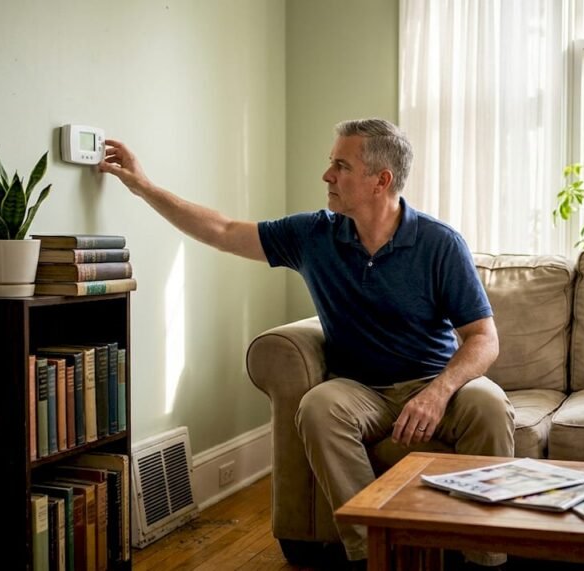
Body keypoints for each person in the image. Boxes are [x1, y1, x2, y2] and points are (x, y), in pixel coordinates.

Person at [99, 118, 515, 568]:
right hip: (359, 389)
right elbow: (221, 230)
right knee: (317, 406)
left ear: (381, 181)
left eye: (341, 165)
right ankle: (371, 555)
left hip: (432, 381)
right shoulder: (313, 235)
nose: (327, 176)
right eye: (330, 163)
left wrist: (438, 392)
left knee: (490, 407)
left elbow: (483, 338)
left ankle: (486, 558)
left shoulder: (439, 244)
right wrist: (143, 186)